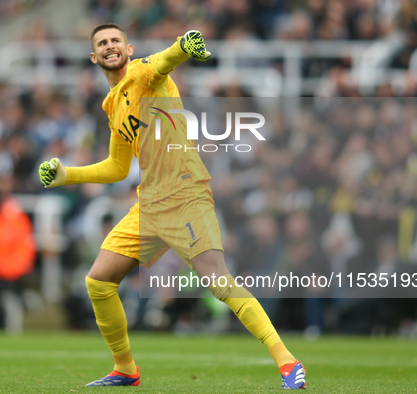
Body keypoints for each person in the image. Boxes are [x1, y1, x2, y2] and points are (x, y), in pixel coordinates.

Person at [38, 23, 306, 390]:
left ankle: (288, 362)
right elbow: (117, 168)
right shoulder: (113, 103)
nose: (110, 46)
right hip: (149, 205)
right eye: (102, 43)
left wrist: (183, 45)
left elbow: (165, 61)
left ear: (129, 49)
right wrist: (66, 175)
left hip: (184, 195)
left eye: (116, 40)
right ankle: (125, 369)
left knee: (219, 282)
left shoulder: (143, 73)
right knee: (99, 282)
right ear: (93, 56)